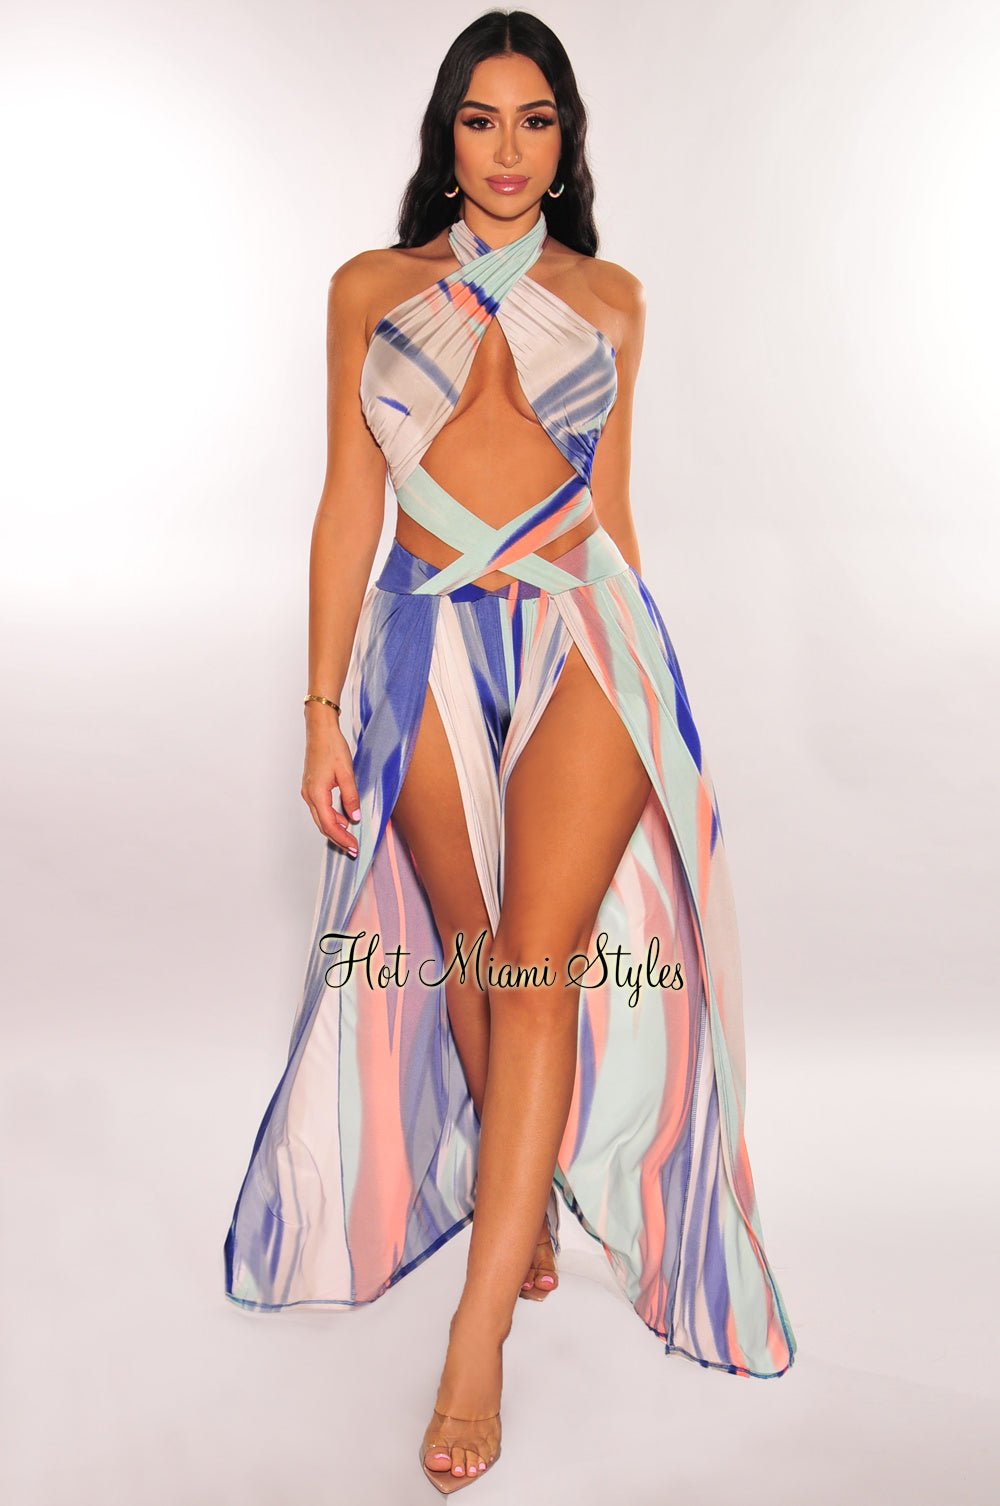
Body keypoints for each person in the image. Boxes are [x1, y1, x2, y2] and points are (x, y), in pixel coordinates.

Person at [223, 9, 797, 1494]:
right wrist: (318, 707)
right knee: (476, 955)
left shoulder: (611, 298)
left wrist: (661, 700)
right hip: (421, 635)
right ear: (445, 135)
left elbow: (615, 511)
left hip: (584, 637)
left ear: (567, 139)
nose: (508, 149)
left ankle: (474, 1338)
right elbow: (349, 504)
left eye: (536, 120)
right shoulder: (370, 289)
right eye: (481, 119)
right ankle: (519, 1199)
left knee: (538, 964)